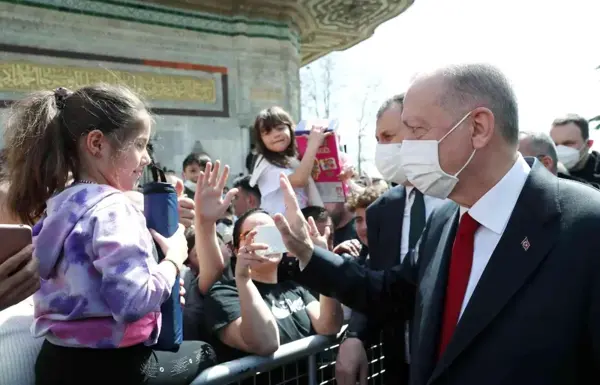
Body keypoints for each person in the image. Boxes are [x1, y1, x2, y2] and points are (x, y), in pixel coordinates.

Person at [272, 63, 600, 385]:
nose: (405, 149)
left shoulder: (585, 226)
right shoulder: (445, 221)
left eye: (416, 131)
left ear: (478, 127)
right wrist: (308, 253)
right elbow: (389, 293)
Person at [3, 84, 216, 385]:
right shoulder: (114, 209)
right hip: (115, 369)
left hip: (54, 364)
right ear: (96, 144)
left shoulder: (57, 206)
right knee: (206, 352)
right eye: (140, 144)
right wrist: (173, 260)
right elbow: (132, 303)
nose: (146, 159)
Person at [334, 95, 445, 385]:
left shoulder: (459, 197)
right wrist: (356, 335)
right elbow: (379, 281)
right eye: (377, 139)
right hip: (401, 368)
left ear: (417, 133)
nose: (381, 149)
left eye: (388, 136)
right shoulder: (382, 211)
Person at [203, 208, 343, 361]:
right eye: (253, 235)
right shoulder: (224, 294)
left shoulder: (294, 286)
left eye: (272, 233)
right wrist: (243, 278)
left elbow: (329, 326)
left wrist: (323, 260)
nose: (265, 242)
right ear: (236, 250)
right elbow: (266, 343)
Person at [249, 106, 327, 215]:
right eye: (267, 132)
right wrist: (313, 145)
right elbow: (300, 180)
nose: (276, 134)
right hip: (279, 228)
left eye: (280, 128)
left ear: (290, 129)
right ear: (260, 139)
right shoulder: (265, 166)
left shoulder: (295, 159)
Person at [518, 131, 599, 188]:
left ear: (545, 163)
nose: (506, 169)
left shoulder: (586, 200)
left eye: (517, 162)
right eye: (556, 144)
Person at [550, 114, 600, 186]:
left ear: (588, 144)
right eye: (555, 144)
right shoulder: (545, 170)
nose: (559, 149)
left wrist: (564, 177)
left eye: (568, 143)